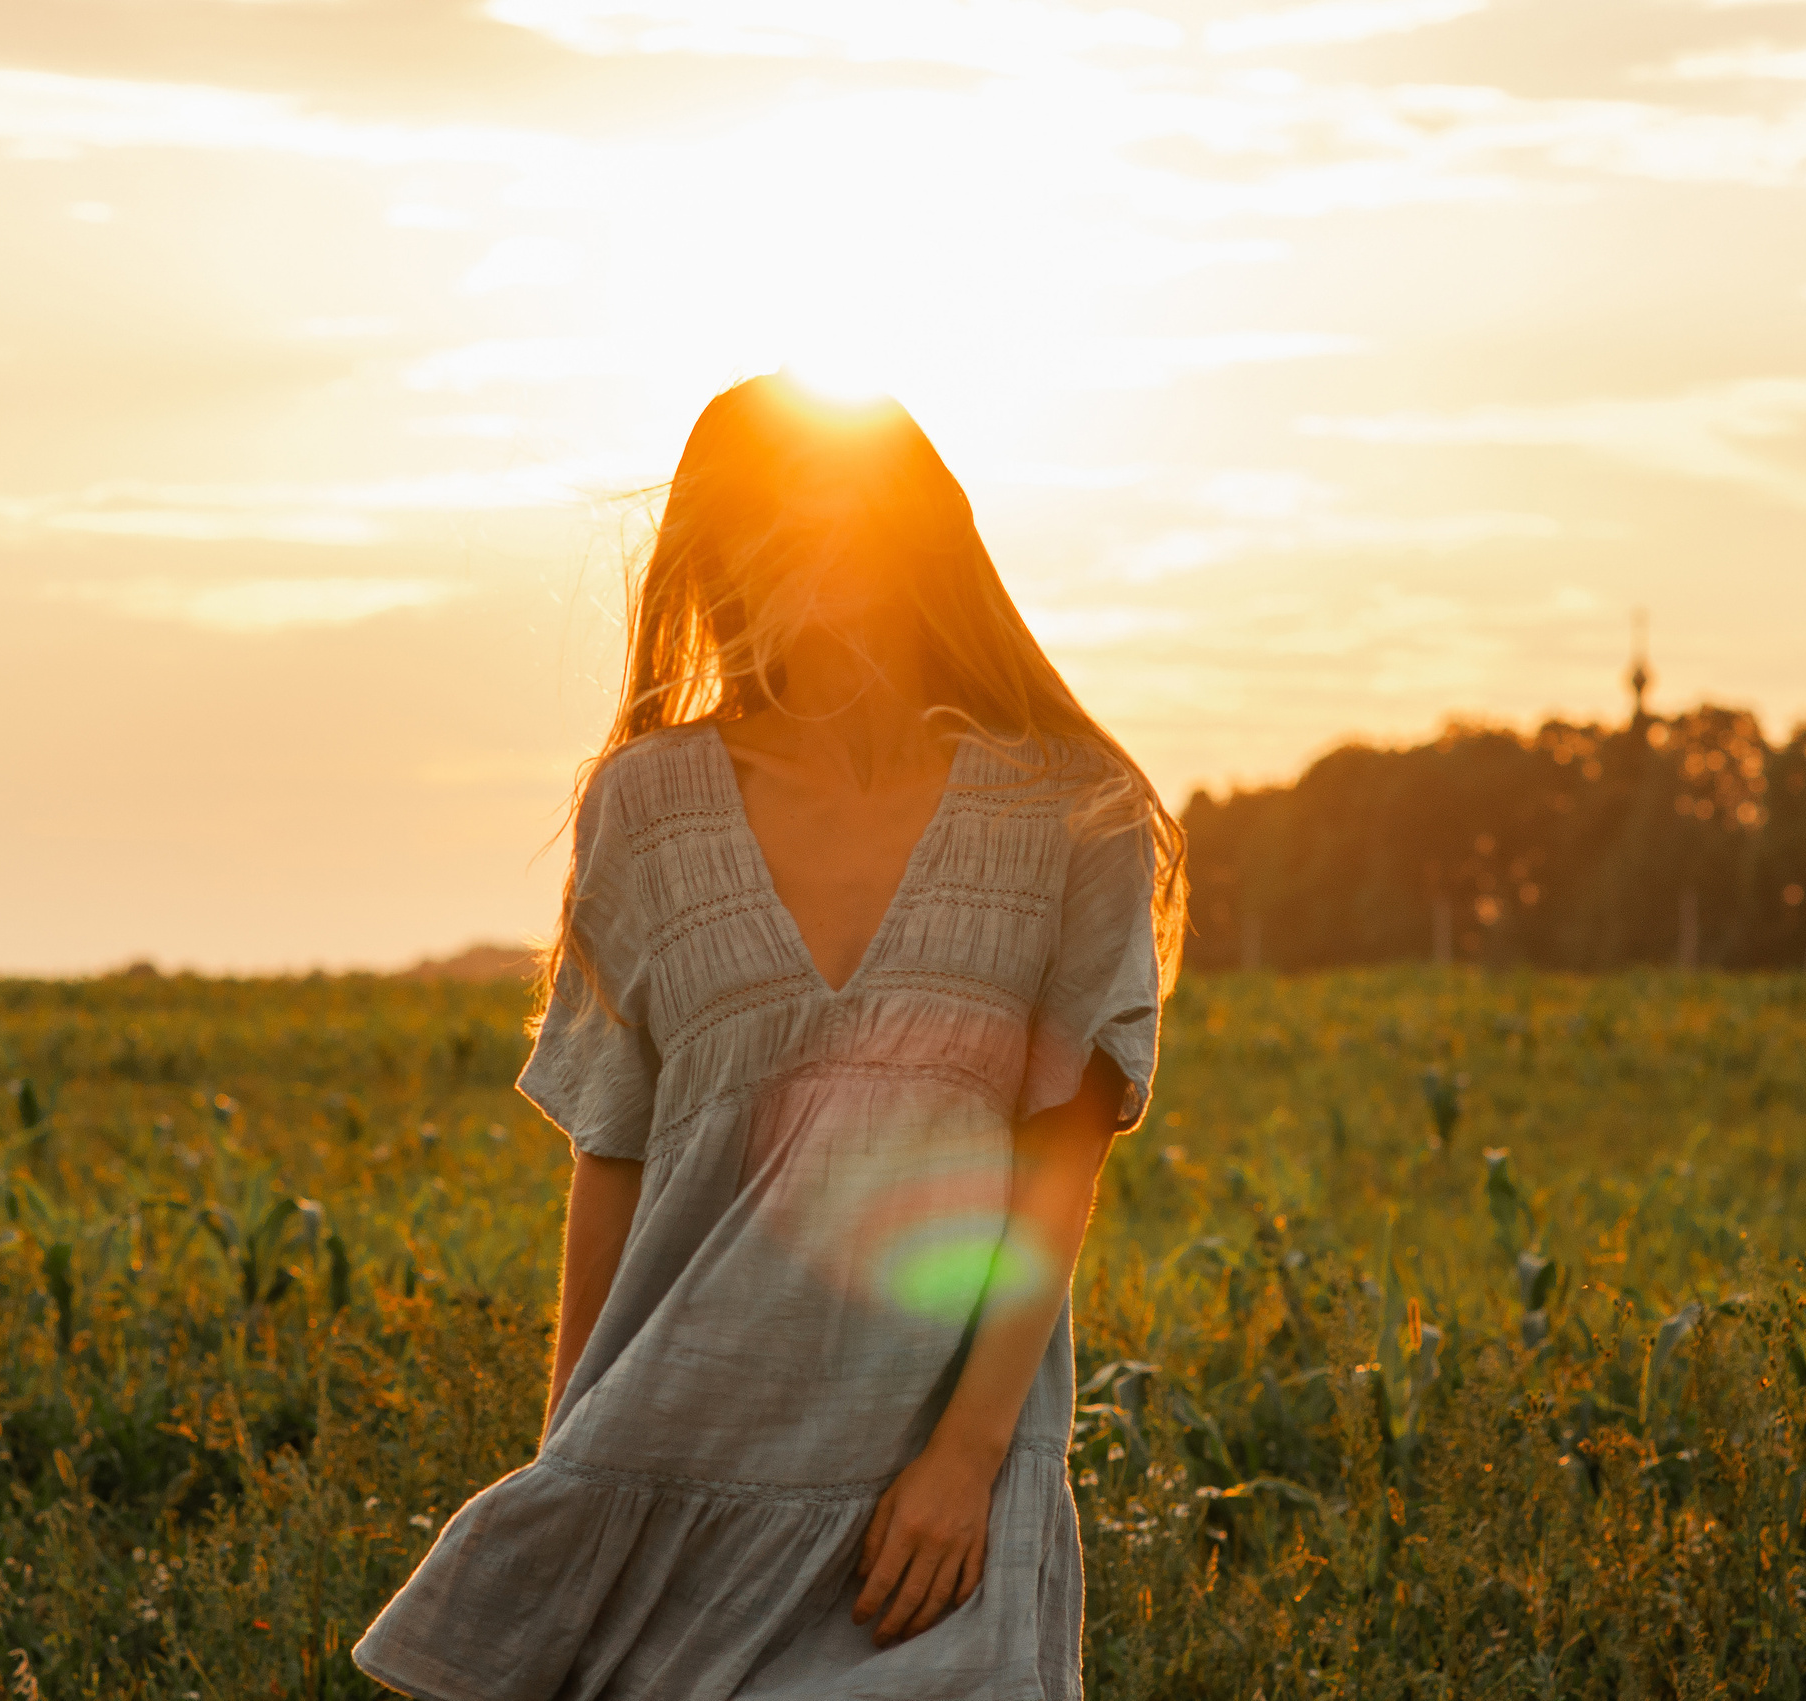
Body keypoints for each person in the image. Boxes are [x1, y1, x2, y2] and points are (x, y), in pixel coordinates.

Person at [354, 372, 1185, 1701]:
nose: (812, 540)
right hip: (674, 1449)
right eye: (769, 514)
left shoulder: (1071, 810)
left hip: (930, 1488)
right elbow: (614, 1152)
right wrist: (572, 1461)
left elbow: (1060, 1158)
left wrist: (967, 1459)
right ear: (719, 550)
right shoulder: (648, 806)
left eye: (846, 505)